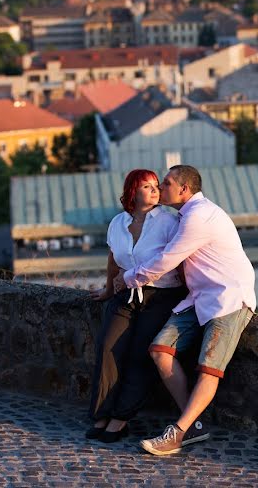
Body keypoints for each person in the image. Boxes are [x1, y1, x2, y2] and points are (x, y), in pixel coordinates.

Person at [115, 165, 256, 456]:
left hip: (228, 297)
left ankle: (177, 433)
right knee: (159, 350)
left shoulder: (199, 217)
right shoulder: (184, 215)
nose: (160, 187)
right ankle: (192, 425)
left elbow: (167, 260)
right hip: (199, 297)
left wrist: (128, 278)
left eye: (166, 183)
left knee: (209, 367)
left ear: (184, 190)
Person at [86, 169, 187, 443]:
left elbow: (181, 259)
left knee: (139, 354)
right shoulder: (117, 223)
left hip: (161, 296)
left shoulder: (168, 220)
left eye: (157, 185)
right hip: (125, 295)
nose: (155, 190)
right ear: (132, 191)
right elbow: (113, 260)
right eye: (147, 186)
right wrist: (108, 290)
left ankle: (121, 419)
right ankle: (102, 413)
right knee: (108, 346)